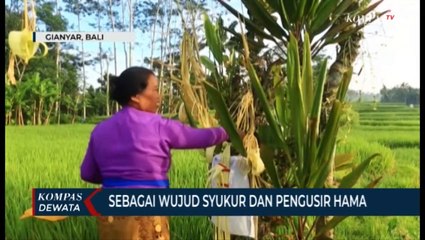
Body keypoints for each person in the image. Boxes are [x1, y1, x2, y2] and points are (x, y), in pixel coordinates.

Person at [80, 66, 230, 240]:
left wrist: (116, 177)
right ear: (136, 96)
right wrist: (228, 132)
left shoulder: (100, 130)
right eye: (155, 90)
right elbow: (201, 137)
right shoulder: (159, 126)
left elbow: (87, 173)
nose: (159, 96)